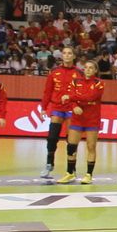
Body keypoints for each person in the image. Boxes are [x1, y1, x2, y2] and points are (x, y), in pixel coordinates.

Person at [61, 58, 105, 184]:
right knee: (71, 147)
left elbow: (90, 97)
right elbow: (74, 98)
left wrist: (70, 97)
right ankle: (70, 173)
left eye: (91, 68)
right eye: (86, 67)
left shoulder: (99, 83)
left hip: (92, 119)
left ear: (95, 70)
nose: (88, 70)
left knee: (91, 146)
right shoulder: (75, 81)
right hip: (77, 119)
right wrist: (74, 106)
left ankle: (88, 175)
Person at [40, 46, 81, 179]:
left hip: (71, 109)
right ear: (62, 56)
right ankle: (49, 164)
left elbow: (81, 93)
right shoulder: (54, 71)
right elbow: (47, 91)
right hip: (57, 107)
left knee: (71, 141)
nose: (67, 55)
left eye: (70, 53)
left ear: (74, 56)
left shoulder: (79, 73)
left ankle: (72, 168)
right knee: (52, 137)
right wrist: (43, 107)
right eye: (65, 53)